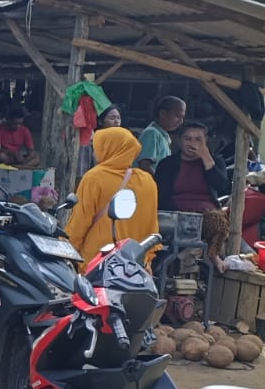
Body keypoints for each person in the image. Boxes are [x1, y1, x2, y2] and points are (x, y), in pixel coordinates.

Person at [65, 127, 158, 269]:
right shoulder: (147, 180)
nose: (95, 152)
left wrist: (68, 251)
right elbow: (151, 227)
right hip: (135, 265)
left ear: (108, 148)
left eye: (97, 147)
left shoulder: (94, 178)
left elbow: (80, 222)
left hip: (98, 263)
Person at [155, 122, 232, 263]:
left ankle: (212, 256)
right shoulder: (167, 164)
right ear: (180, 141)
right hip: (176, 215)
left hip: (207, 215)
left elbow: (222, 186)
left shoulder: (216, 161)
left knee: (219, 222)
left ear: (206, 141)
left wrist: (206, 158)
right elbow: (161, 196)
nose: (193, 143)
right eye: (188, 139)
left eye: (198, 139)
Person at [138, 96, 186, 171]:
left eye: (182, 117)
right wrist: (158, 179)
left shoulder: (163, 136)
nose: (181, 121)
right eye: (177, 116)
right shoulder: (151, 133)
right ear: (162, 113)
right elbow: (144, 165)